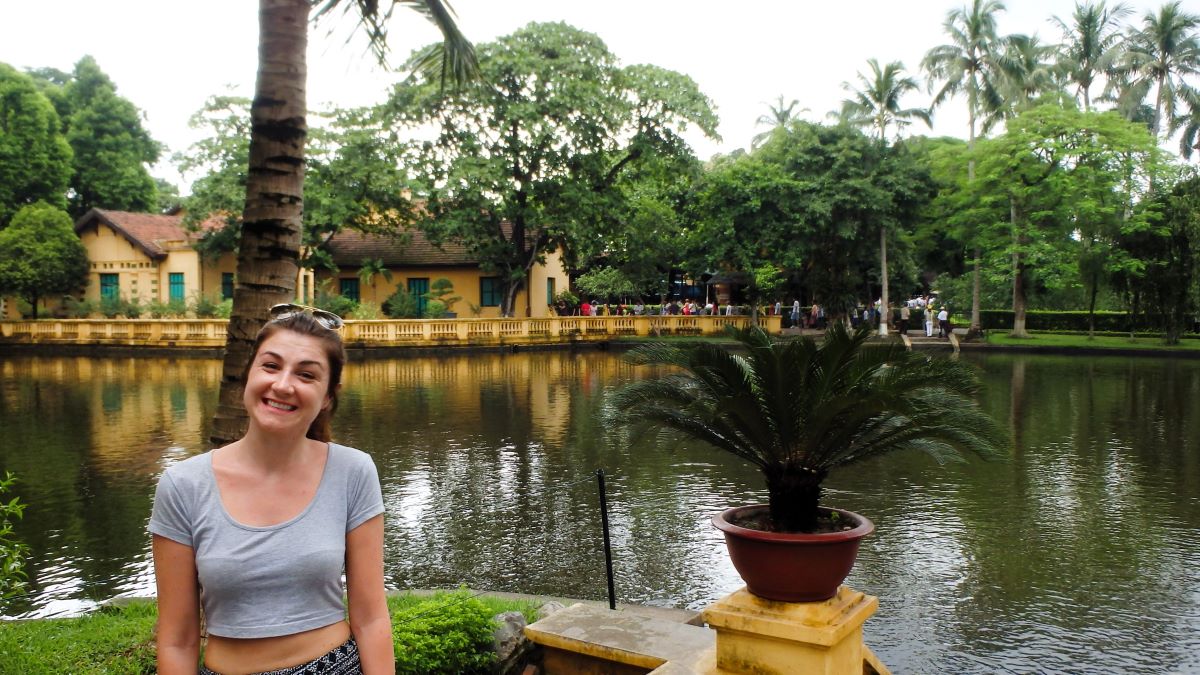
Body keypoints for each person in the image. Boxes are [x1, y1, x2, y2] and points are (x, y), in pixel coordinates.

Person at [150, 304, 391, 675]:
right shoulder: (183, 485)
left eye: (306, 374)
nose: (283, 385)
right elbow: (176, 640)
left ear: (328, 397)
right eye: (271, 366)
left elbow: (371, 618)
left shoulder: (352, 471)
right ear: (248, 374)